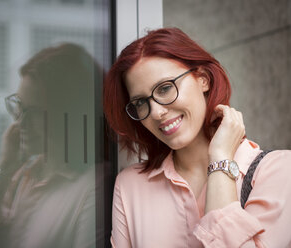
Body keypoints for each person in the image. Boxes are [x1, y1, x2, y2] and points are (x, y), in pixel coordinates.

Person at [103, 27, 291, 247]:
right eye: (141, 103)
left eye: (164, 88)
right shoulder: (130, 186)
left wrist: (221, 160)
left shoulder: (279, 171)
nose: (155, 112)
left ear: (203, 79)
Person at [0, 43, 98, 248]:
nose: (20, 122)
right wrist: (3, 165)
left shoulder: (93, 188)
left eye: (36, 112)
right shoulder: (24, 175)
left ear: (68, 115)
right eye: (19, 106)